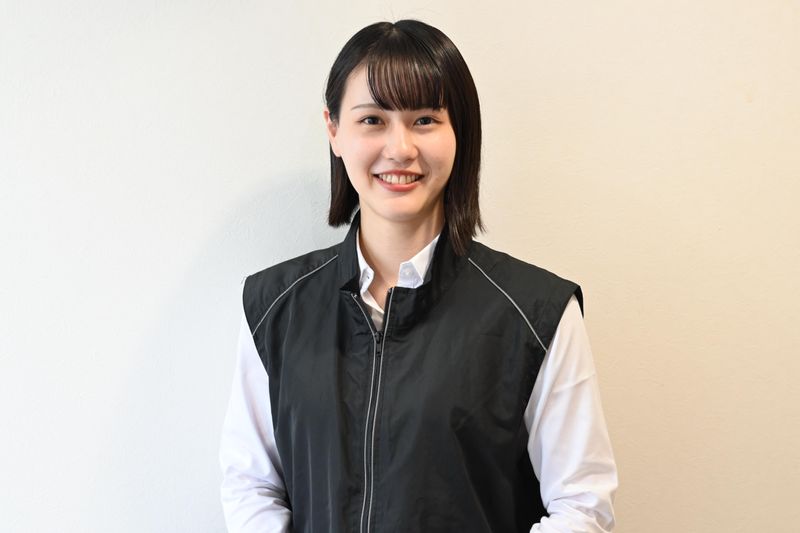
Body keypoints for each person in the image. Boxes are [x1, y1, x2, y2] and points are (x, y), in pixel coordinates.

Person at [219, 19, 617, 533]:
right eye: (372, 120)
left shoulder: (535, 313)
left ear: (460, 132)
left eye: (425, 119)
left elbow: (582, 504)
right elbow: (251, 483)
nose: (400, 148)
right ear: (334, 130)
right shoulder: (275, 306)